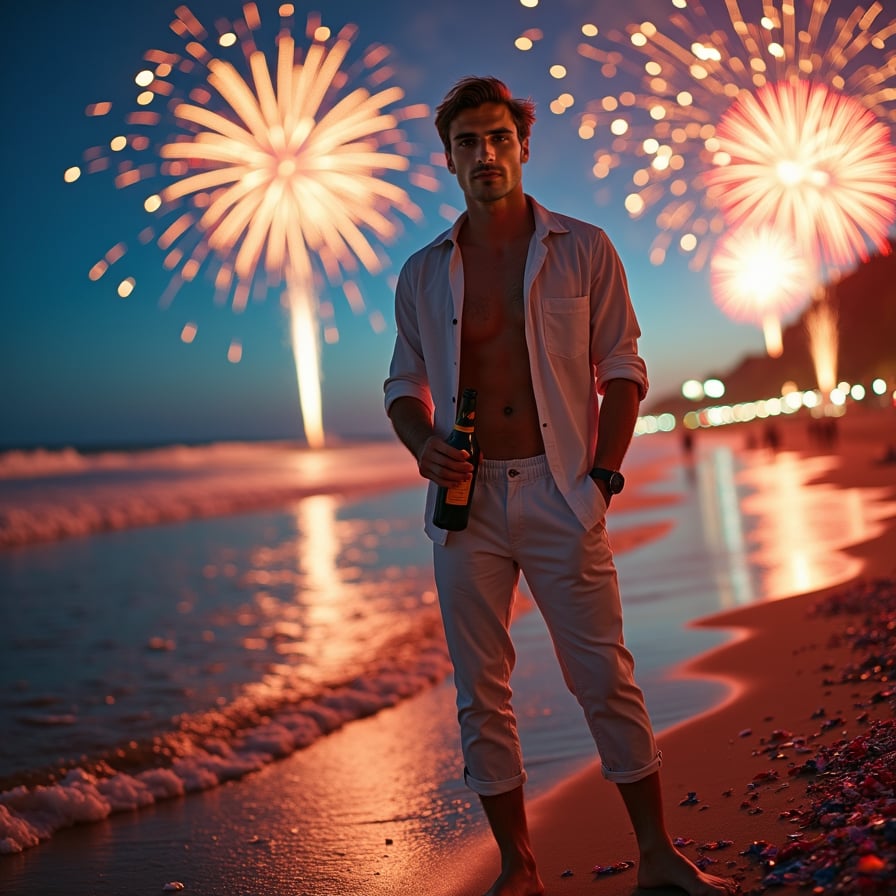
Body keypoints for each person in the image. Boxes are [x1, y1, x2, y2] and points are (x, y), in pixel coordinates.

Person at [383, 76, 737, 896]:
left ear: (523, 146)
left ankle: (656, 857)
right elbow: (404, 385)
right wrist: (422, 446)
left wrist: (602, 478)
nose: (485, 154)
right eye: (467, 142)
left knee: (603, 675)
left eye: (498, 138)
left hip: (560, 489)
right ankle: (519, 869)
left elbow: (622, 367)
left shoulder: (583, 246)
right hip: (464, 508)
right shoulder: (423, 272)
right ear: (448, 159)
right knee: (481, 692)